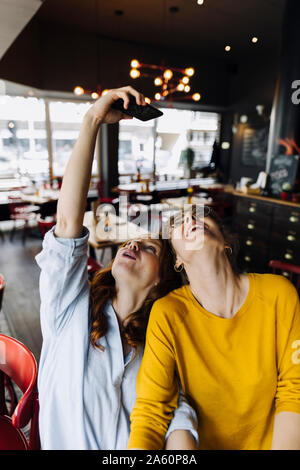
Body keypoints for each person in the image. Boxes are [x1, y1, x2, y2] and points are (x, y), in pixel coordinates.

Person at [35, 86, 198, 450]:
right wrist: (93, 118)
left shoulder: (157, 345)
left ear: (162, 279)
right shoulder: (70, 309)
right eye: (133, 241)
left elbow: (176, 410)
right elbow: (67, 223)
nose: (133, 243)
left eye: (151, 246)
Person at [128, 205, 300, 450]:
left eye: (202, 216)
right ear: (177, 259)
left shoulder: (279, 294)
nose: (191, 218)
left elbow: (294, 393)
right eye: (179, 222)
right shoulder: (168, 313)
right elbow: (151, 412)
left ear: (225, 241)